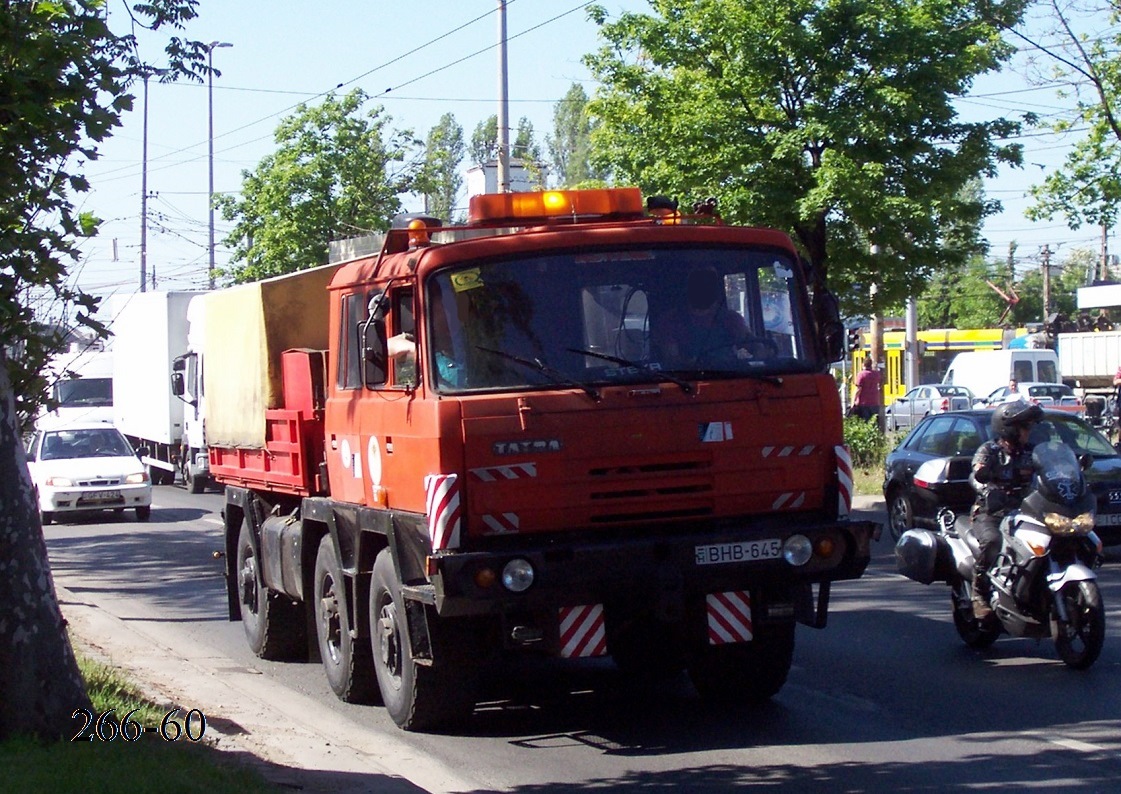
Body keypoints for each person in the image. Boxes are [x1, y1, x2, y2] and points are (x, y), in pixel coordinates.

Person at [968, 400, 1043, 620]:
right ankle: (978, 593)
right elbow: (976, 474)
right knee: (992, 542)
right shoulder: (989, 451)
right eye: (1024, 427)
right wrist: (988, 489)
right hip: (992, 513)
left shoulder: (1032, 452)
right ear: (1008, 428)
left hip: (1026, 511)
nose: (1028, 432)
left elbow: (1048, 471)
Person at [658, 266, 750, 366]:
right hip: (685, 378)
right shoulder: (671, 321)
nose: (704, 289)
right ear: (689, 289)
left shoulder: (731, 319)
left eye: (709, 285)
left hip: (731, 377)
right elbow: (671, 359)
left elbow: (755, 346)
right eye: (699, 285)